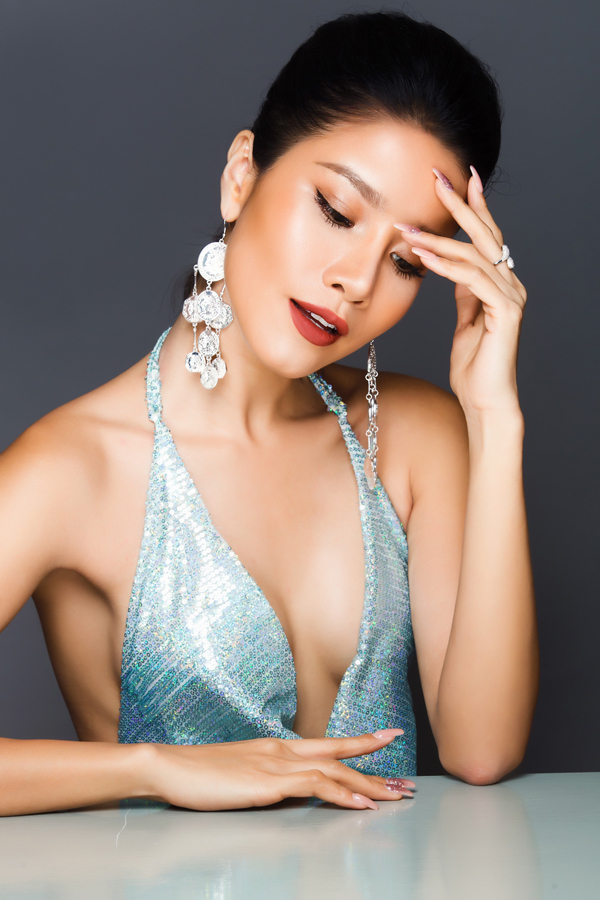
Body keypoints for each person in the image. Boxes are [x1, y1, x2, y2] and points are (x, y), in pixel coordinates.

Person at [0, 10, 538, 817]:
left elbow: (481, 750)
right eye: (336, 210)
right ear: (241, 175)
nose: (357, 280)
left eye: (406, 260)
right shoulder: (74, 468)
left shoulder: (415, 437)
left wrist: (495, 418)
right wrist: (153, 769)